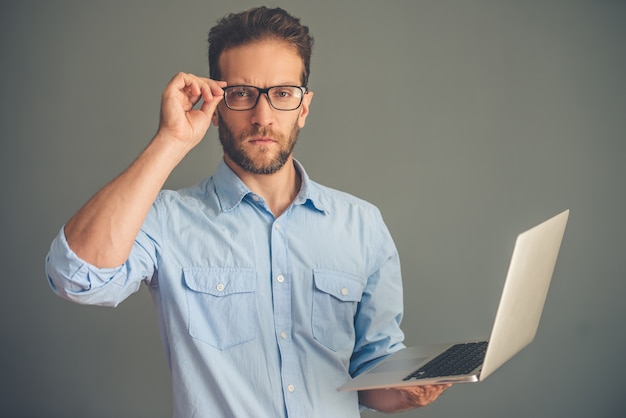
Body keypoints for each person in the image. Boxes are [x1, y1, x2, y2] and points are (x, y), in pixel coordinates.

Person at [46, 6, 449, 417]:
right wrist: (170, 141)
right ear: (217, 105)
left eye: (282, 93)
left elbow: (370, 375)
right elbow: (76, 277)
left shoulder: (363, 225)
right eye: (241, 93)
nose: (263, 117)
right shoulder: (167, 220)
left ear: (303, 108)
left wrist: (409, 389)